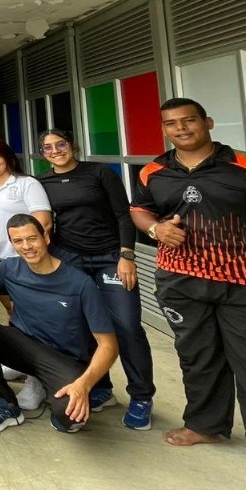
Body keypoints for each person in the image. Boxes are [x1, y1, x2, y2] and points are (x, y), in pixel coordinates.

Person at [131, 97, 246, 490]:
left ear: (207, 122)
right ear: (164, 129)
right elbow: (139, 211)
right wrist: (156, 230)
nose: (181, 128)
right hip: (182, 282)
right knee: (197, 356)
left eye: (188, 120)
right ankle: (205, 426)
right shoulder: (154, 171)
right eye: (171, 123)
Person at [38, 128, 155, 430]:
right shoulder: (41, 182)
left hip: (109, 257)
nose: (55, 151)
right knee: (87, 326)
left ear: (73, 145)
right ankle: (102, 387)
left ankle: (141, 396)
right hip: (71, 259)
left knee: (127, 325)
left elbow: (123, 215)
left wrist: (126, 255)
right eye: (47, 148)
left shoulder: (99, 173)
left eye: (60, 144)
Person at [0, 214, 119, 434]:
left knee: (71, 418)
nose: (26, 246)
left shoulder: (80, 283)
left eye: (32, 239)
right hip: (23, 346)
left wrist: (84, 383)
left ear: (46, 237)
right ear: (11, 244)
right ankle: (7, 404)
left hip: (63, 359)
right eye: (18, 241)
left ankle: (45, 386)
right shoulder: (10, 268)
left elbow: (109, 346)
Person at [0, 137, 52, 267]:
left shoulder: (27, 183)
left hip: (24, 257)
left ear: (7, 157)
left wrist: (28, 252)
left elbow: (44, 223)